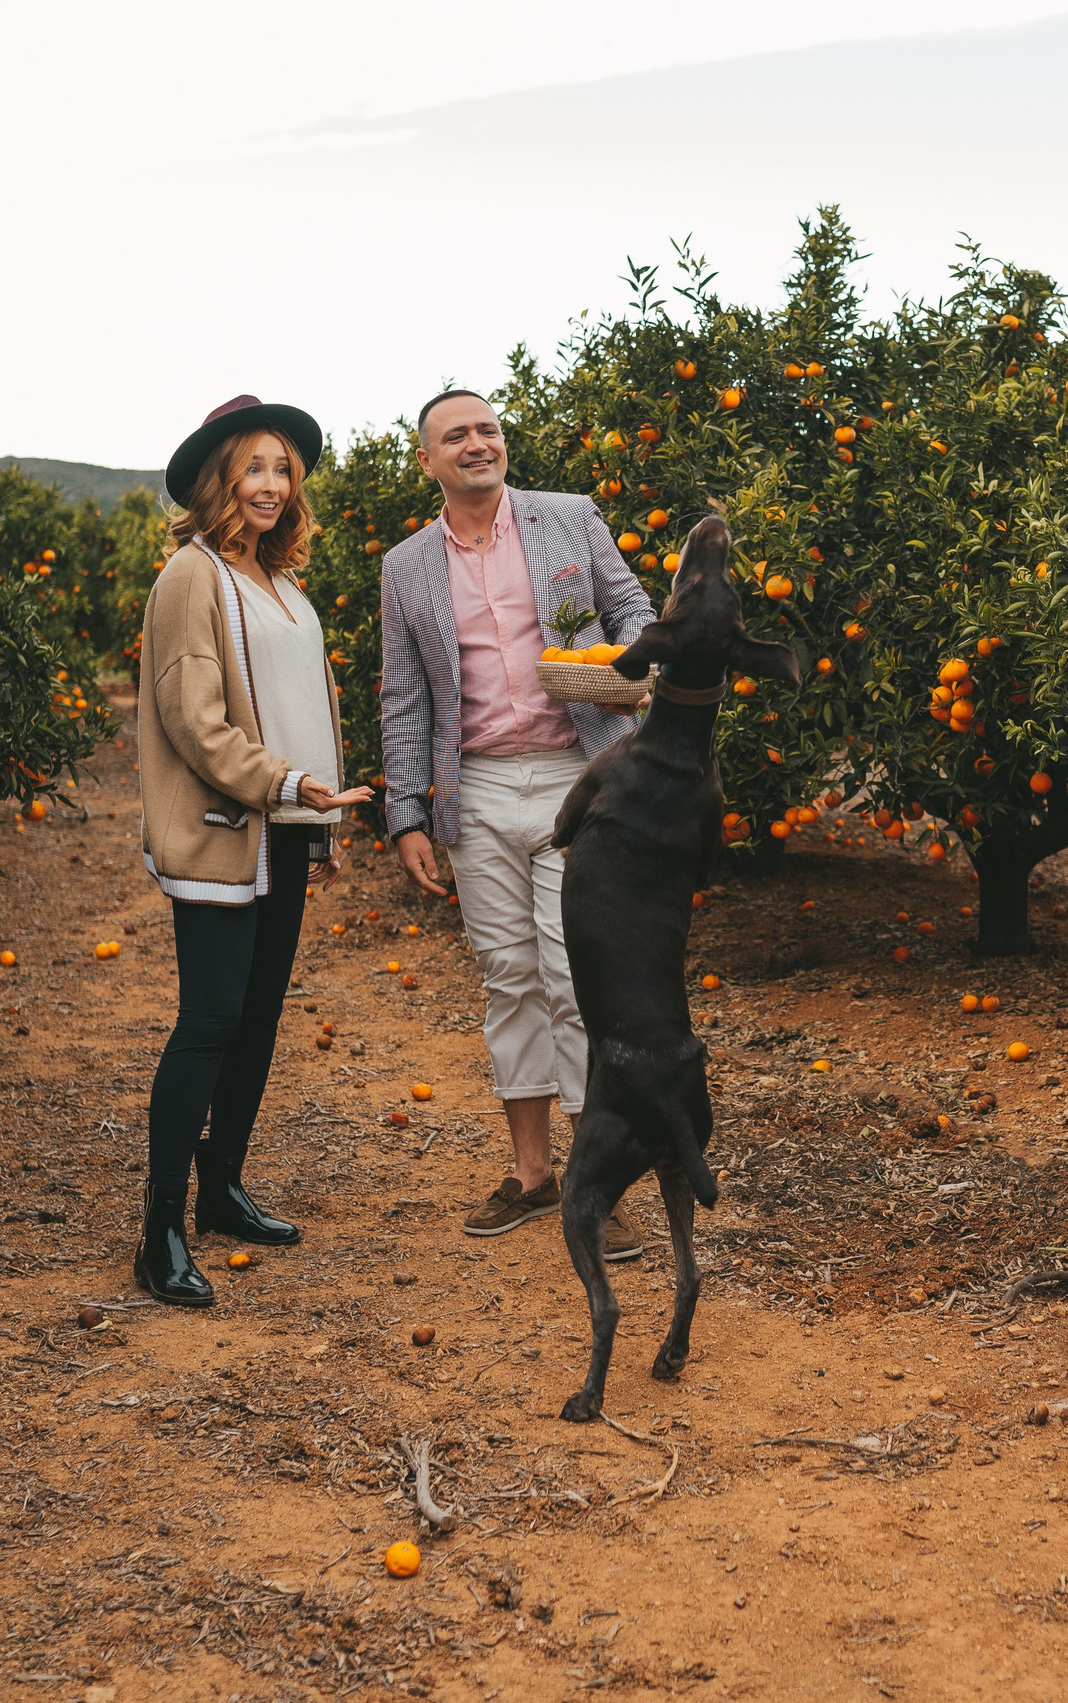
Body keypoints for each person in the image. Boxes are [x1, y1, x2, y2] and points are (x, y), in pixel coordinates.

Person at [379, 389, 657, 1254]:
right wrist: (405, 814)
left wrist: (628, 659)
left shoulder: (569, 518)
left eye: (488, 428)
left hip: (581, 776)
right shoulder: (406, 567)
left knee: (577, 978)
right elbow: (403, 697)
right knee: (508, 977)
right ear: (426, 461)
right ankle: (533, 1175)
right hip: (482, 789)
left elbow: (635, 608)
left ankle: (594, 1181)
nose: (476, 443)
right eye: (455, 435)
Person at [133, 395, 373, 1306]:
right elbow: (194, 722)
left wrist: (317, 820)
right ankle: (159, 1227)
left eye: (283, 469)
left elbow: (301, 708)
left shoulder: (278, 580)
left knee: (261, 1015)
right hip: (226, 829)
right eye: (255, 468)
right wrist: (287, 786)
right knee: (211, 1019)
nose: (272, 484)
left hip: (283, 827)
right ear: (218, 479)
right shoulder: (193, 576)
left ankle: (222, 1185)